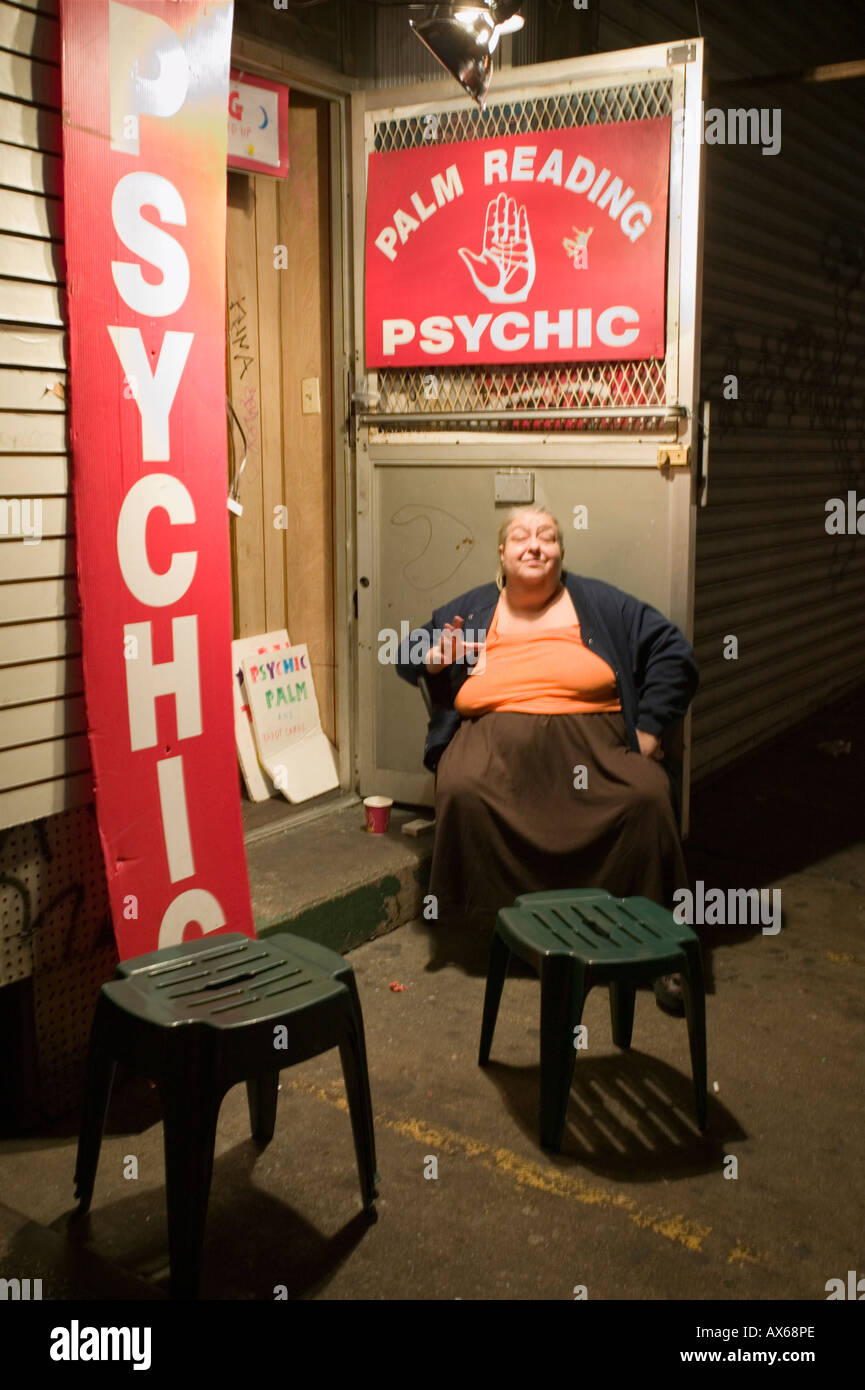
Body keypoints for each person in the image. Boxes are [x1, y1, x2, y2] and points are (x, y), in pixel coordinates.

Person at [395, 505, 699, 1015]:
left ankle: (659, 945)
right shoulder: (472, 608)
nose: (534, 545)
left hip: (593, 743)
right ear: (502, 552)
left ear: (560, 552)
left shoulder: (601, 603)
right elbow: (406, 650)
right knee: (464, 788)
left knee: (646, 795)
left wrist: (647, 729)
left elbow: (675, 651)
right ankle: (516, 932)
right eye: (521, 536)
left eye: (547, 537)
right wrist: (431, 656)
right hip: (495, 745)